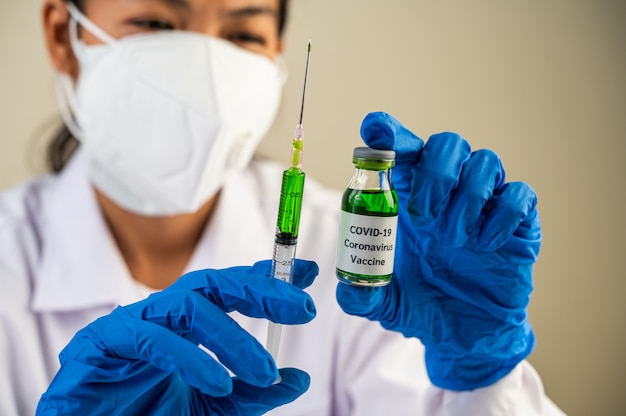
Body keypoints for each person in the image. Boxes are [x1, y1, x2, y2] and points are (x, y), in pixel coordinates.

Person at [0, 0, 565, 414]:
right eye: (155, 24)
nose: (206, 71)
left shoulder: (366, 260)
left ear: (275, 57)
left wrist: (479, 374)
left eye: (242, 33)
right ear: (62, 34)